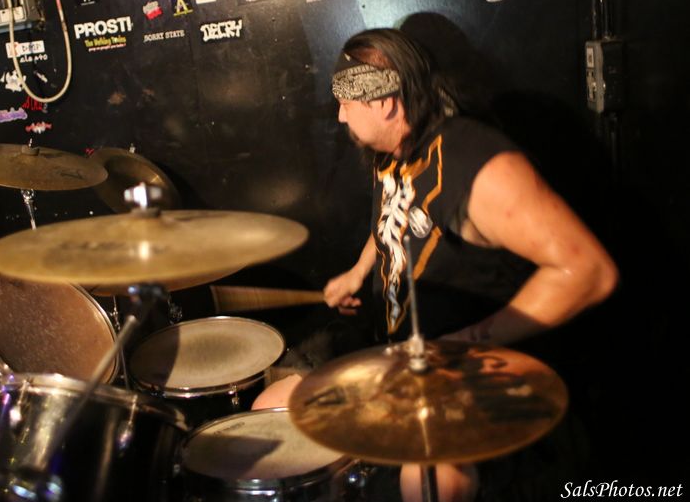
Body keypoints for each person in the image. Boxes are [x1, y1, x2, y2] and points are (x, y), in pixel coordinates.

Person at [253, 28, 619, 502]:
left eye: (346, 103)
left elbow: (588, 271)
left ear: (386, 104)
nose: (340, 115)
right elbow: (396, 216)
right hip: (399, 358)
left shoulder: (479, 166)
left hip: (470, 374)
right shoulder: (393, 149)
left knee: (430, 482)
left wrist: (466, 341)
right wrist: (359, 271)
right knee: (271, 409)